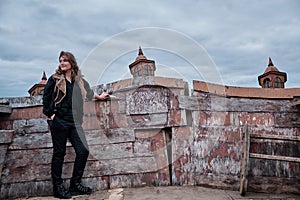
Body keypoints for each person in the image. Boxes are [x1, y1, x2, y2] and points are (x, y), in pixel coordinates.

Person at [43, 51, 109, 199]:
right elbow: (46, 97)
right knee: (59, 153)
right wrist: (50, 114)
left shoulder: (79, 81)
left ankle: (75, 184)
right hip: (59, 120)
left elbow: (89, 94)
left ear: (71, 63)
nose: (62, 63)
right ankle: (58, 187)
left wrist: (101, 97)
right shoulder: (54, 79)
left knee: (83, 151)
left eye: (65, 60)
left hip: (75, 122)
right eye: (60, 61)